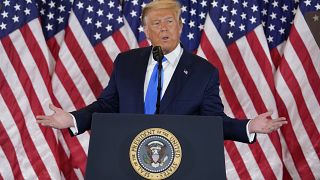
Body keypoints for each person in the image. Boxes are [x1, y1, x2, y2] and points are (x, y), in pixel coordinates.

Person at [36, 0, 287, 143]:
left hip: (180, 164)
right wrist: (72, 119)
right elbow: (107, 106)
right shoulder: (126, 62)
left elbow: (213, 122)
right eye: (156, 23)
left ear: (180, 27)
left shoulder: (203, 72)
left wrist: (249, 126)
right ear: (146, 31)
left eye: (170, 22)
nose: (164, 28)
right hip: (127, 160)